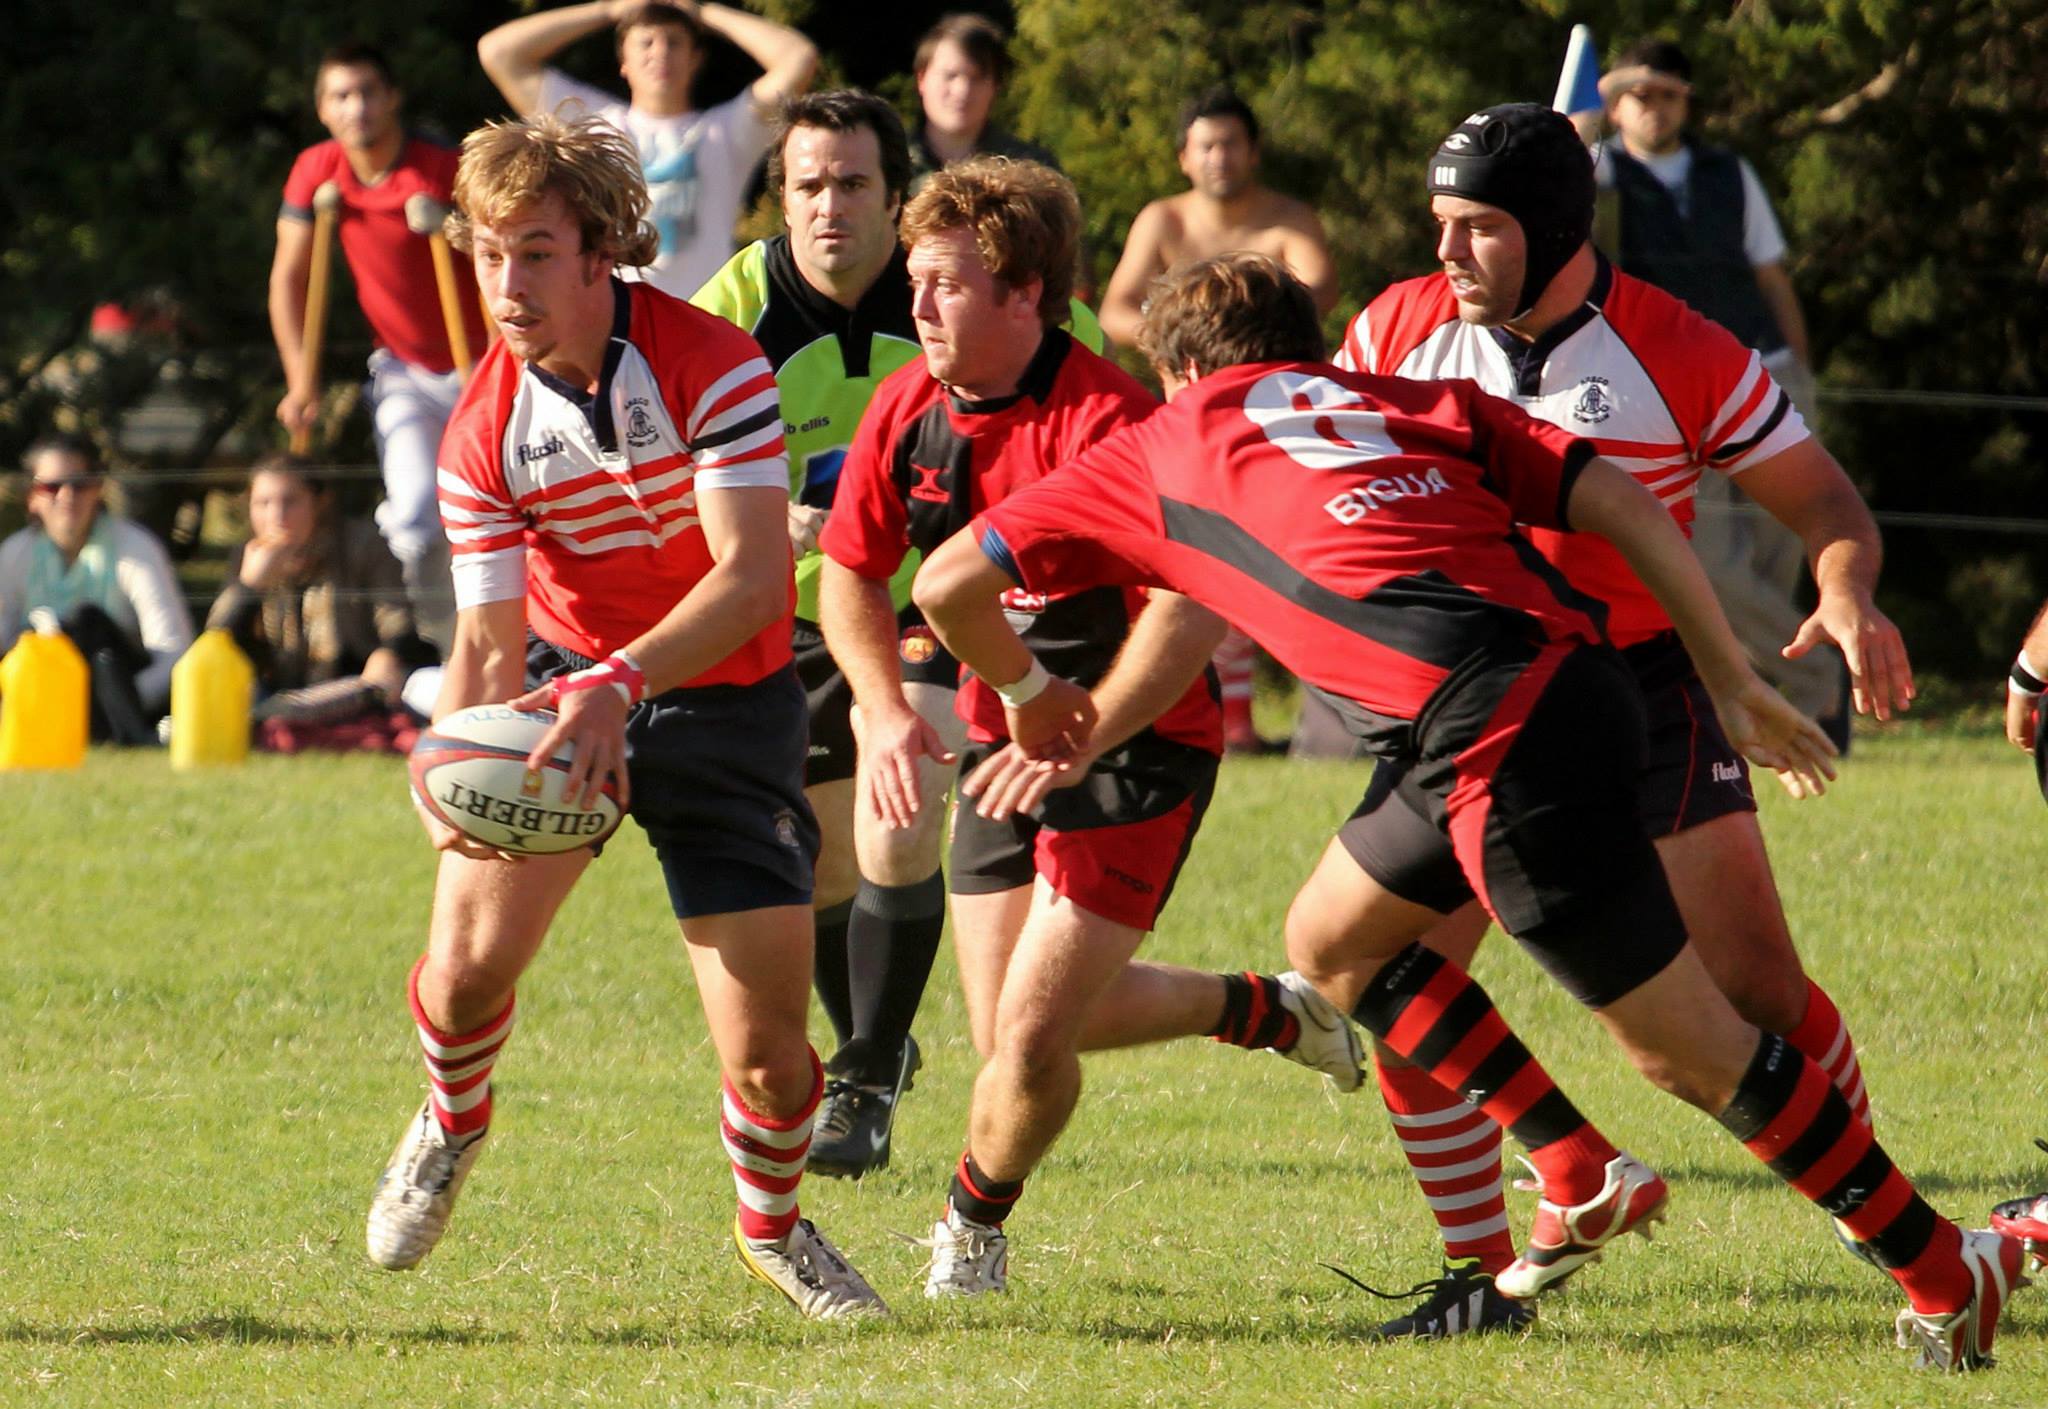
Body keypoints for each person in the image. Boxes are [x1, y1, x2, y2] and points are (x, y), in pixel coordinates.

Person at [914, 250, 2025, 1371]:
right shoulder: (1408, 398)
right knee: (1331, 939)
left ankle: (1943, 1263)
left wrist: (1029, 693)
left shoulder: (1163, 438)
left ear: (1181, 369)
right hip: (1550, 685)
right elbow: (1616, 497)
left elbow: (945, 581)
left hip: (1497, 732)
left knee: (1692, 1050)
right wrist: (1725, 672)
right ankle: (1572, 1161)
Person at [1327, 103, 1916, 1339]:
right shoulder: (1393, 326)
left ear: (1554, 230)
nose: (1445, 252)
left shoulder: (1677, 347)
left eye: (1476, 228)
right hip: (1470, 698)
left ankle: (1886, 1225)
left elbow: (1827, 507)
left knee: (1753, 989)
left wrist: (1846, 595)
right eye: (1437, 223)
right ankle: (1481, 1277)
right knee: (1397, 976)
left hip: (1641, 691)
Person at [362, 110, 884, 1320]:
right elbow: (490, 638)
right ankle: (449, 1119)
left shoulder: (713, 363)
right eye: (488, 254)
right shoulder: (479, 430)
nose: (504, 283)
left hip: (723, 700)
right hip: (560, 691)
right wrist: (452, 754)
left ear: (602, 253)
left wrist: (622, 678)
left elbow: (753, 577)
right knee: (461, 970)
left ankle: (772, 1227)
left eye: (534, 252)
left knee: (768, 1055)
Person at [831, 160, 1361, 1300]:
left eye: (943, 284)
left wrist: (1083, 730)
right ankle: (1260, 1006)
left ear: (1026, 293)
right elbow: (848, 571)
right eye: (913, 281)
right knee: (1009, 1030)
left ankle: (970, 1225)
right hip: (999, 749)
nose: (914, 307)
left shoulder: (1113, 421)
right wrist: (880, 712)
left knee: (1027, 1041)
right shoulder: (905, 409)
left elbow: (1191, 604)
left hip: (1139, 747)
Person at [691, 95, 1115, 1179]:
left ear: (892, 192)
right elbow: (671, 464)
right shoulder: (732, 308)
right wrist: (761, 514)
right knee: (826, 857)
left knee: (895, 818)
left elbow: (1082, 390)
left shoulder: (963, 280)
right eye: (805, 186)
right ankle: (875, 1041)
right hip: (793, 608)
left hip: (939, 604)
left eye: (850, 185)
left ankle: (867, 1071)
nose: (827, 207)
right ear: (777, 198)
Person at [1595, 38, 1848, 741]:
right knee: (1708, 562)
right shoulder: (1597, 175)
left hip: (1768, 367)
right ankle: (1816, 681)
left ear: (1687, 101)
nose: (1655, 107)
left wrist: (1803, 369)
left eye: (1669, 93)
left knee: (1782, 551)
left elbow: (1771, 275)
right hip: (1668, 388)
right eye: (1641, 93)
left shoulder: (1728, 172)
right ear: (1615, 101)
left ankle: (1782, 704)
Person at [1100, 87, 1336, 752]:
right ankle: (1228, 718)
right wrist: (1182, 340)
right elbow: (1118, 307)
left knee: (1279, 553)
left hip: (1275, 413)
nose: (1219, 157)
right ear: (1183, 157)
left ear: (1253, 151)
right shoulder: (1162, 220)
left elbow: (1318, 288)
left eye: (1231, 142)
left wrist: (1236, 323)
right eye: (1206, 144)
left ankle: (1312, 706)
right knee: (1201, 555)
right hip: (1188, 416)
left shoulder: (1288, 219)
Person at [269, 42, 489, 650]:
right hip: (405, 368)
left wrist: (452, 225)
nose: (357, 107)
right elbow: (289, 279)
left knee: (496, 510)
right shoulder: (317, 171)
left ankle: (509, 643)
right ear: (322, 110)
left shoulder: (442, 166)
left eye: (368, 92)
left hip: (484, 368)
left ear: (393, 99)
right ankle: (424, 645)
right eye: (342, 95)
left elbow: (506, 250)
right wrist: (300, 381)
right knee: (415, 514)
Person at [478, 0, 817, 301]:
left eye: (674, 42)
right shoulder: (593, 127)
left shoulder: (727, 131)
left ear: (695, 58)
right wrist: (610, 9)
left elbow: (798, 58)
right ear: (623, 60)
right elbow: (499, 52)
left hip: (708, 318)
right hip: (617, 319)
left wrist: (702, 11)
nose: (660, 53)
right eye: (646, 42)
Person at [206, 454, 435, 723]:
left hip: (356, 683)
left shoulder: (362, 546)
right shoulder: (249, 558)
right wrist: (249, 587)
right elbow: (215, 644)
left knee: (419, 686)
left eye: (290, 502)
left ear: (319, 502)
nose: (276, 516)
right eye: (263, 503)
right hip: (272, 692)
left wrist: (388, 654)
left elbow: (399, 623)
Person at [0, 435, 191, 743]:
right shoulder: (14, 554)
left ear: (98, 489)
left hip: (117, 690)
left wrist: (112, 705)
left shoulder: (135, 549)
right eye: (51, 487)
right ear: (31, 496)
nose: (67, 496)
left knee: (90, 622)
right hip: (38, 700)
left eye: (80, 484)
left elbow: (173, 655)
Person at [907, 14, 1058, 185]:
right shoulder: (887, 164)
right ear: (921, 79)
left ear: (996, 85)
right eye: (950, 76)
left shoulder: (1032, 172)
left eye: (977, 78)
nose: (962, 91)